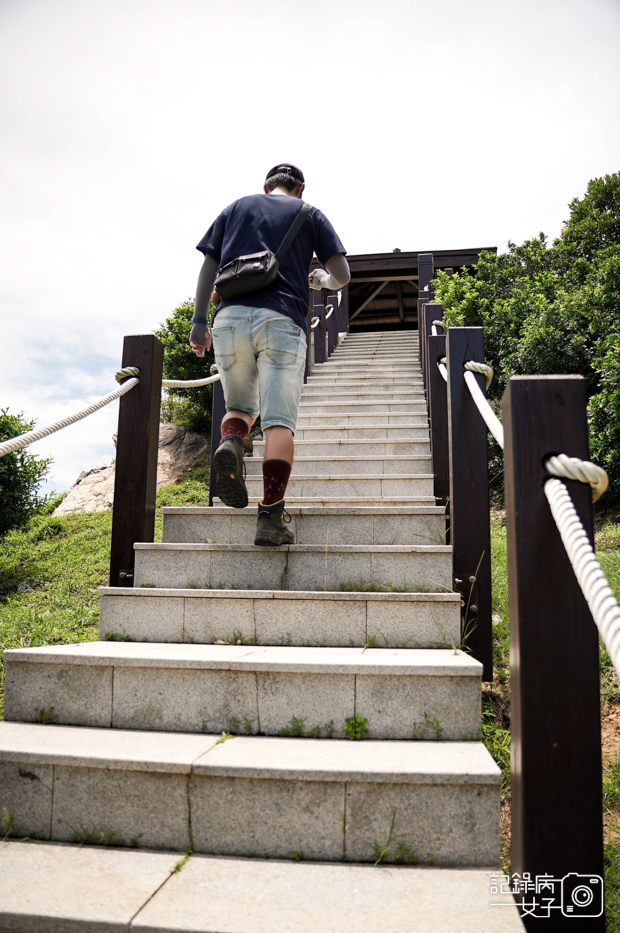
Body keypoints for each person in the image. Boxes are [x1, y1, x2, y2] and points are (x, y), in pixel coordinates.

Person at [190, 163, 350, 545]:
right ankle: (269, 520)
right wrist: (322, 282)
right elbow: (342, 272)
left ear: (265, 186)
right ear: (300, 187)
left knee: (240, 408)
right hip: (281, 320)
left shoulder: (236, 208)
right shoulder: (309, 213)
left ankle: (231, 442)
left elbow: (208, 266)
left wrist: (199, 322)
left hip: (228, 319)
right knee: (278, 421)